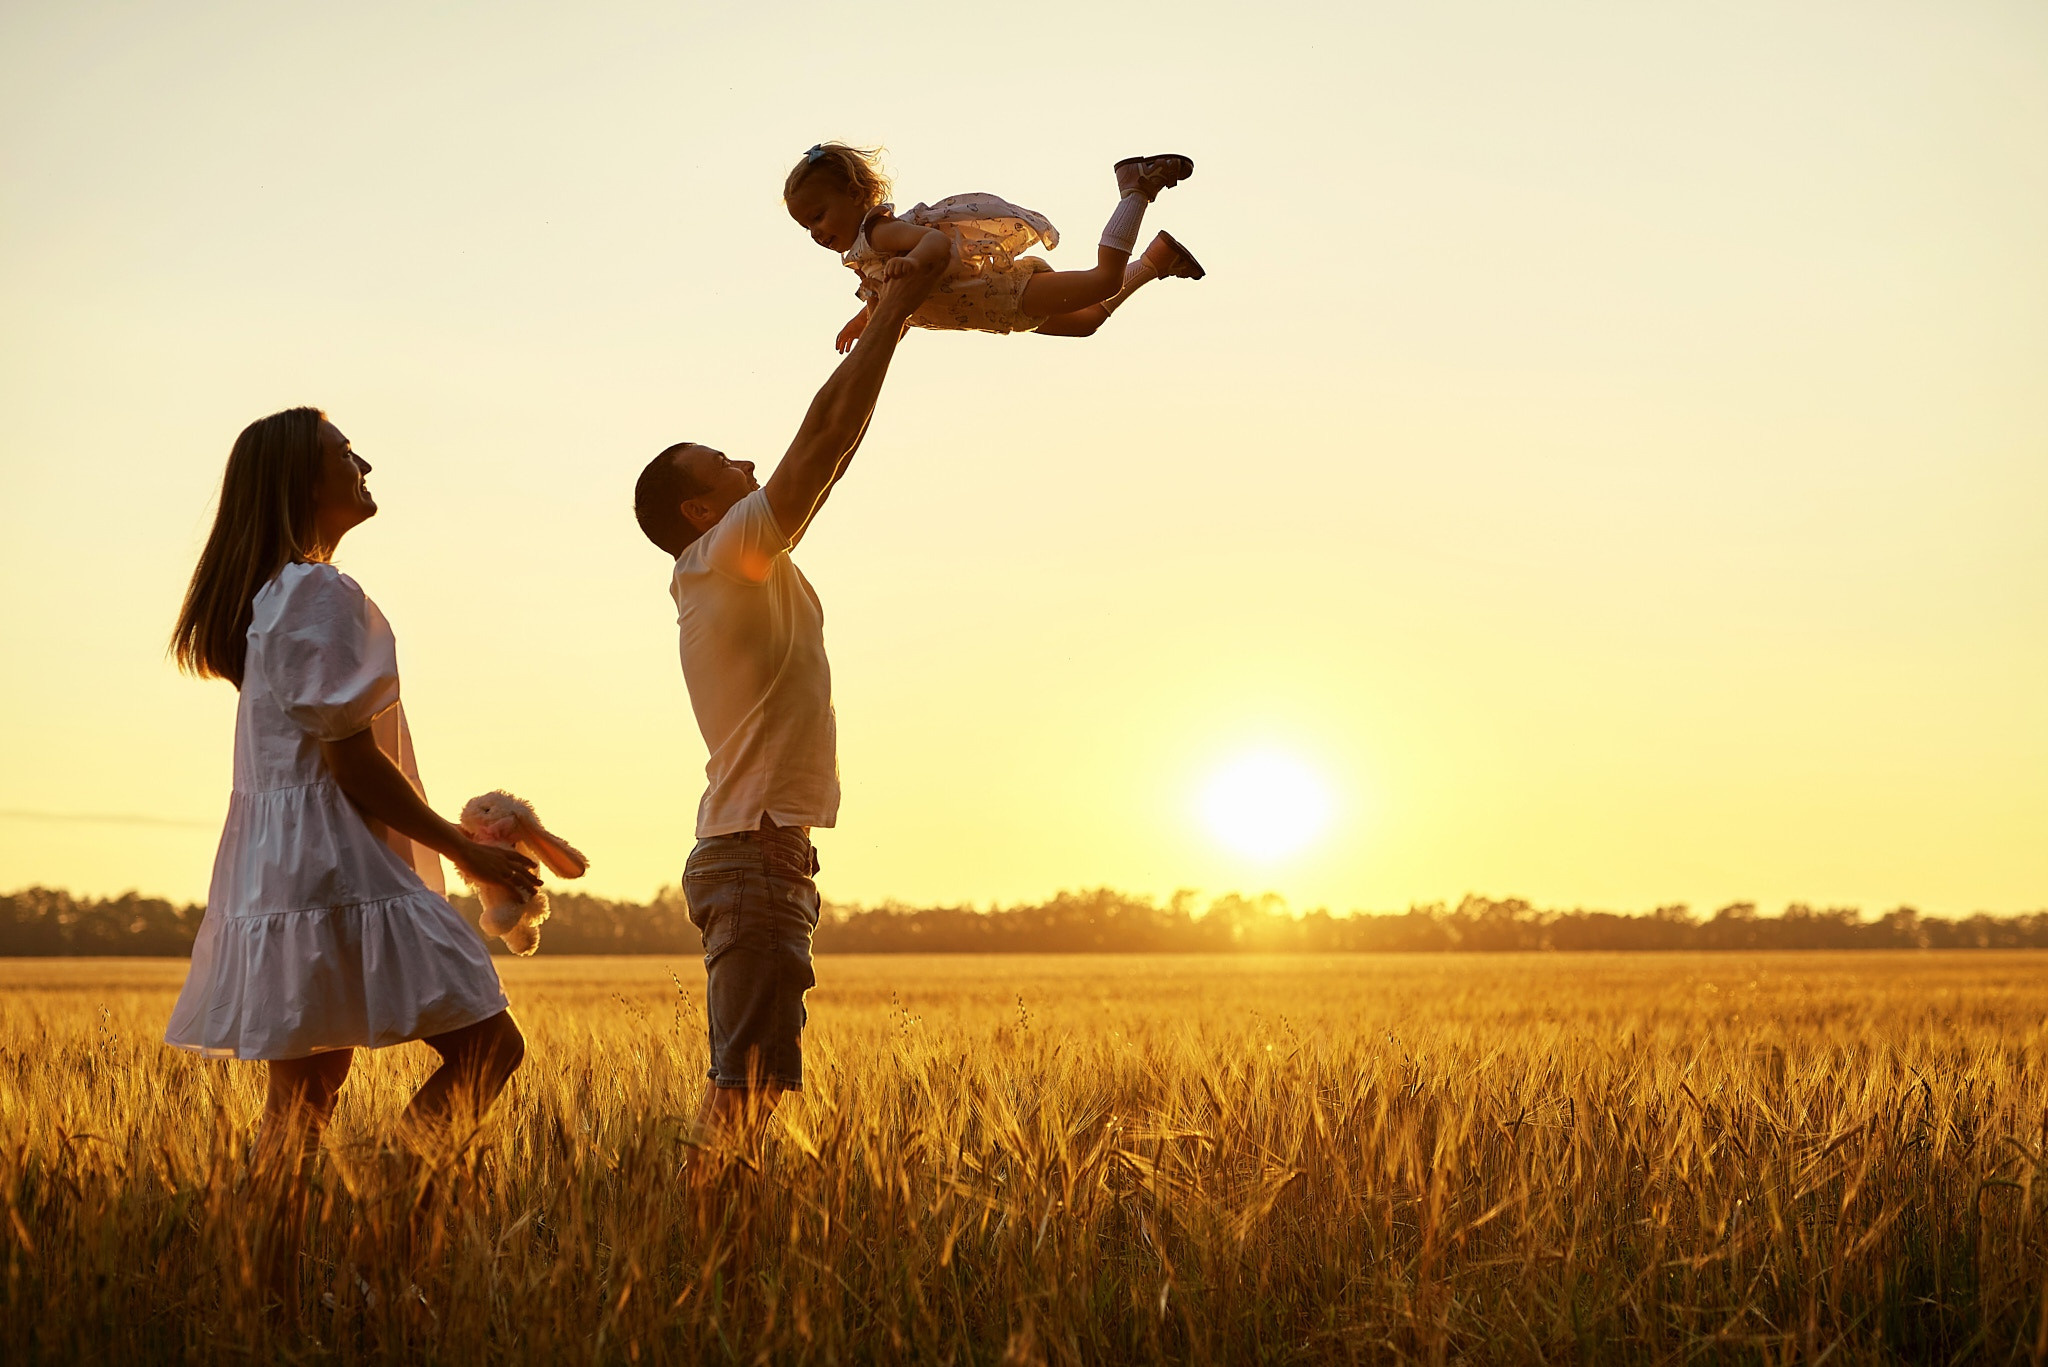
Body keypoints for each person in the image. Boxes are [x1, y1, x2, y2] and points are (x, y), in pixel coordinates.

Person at [164, 407, 539, 1178]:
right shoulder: (317, 592)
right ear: (301, 479)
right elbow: (351, 762)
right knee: (490, 1046)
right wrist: (461, 845)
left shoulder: (272, 595)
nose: (363, 462)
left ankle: (273, 1290)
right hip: (337, 861)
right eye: (344, 454)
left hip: (283, 867)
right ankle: (383, 1216)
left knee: (304, 1097)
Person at [632, 248, 946, 1155]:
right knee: (743, 1098)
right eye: (723, 462)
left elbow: (832, 451)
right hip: (755, 852)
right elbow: (816, 446)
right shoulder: (724, 557)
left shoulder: (745, 566)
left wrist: (895, 326)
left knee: (748, 1094)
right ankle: (708, 1277)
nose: (746, 459)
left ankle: (714, 1268)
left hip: (763, 851)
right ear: (701, 512)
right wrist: (893, 313)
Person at [785, 142, 1205, 350]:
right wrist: (865, 324)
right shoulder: (866, 258)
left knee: (1104, 279)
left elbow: (931, 244)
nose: (815, 232)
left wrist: (910, 263)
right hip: (997, 311)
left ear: (855, 193)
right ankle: (1156, 259)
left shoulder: (879, 234)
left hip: (1004, 293)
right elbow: (891, 314)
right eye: (806, 226)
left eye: (818, 215)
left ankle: (1136, 188)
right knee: (1085, 323)